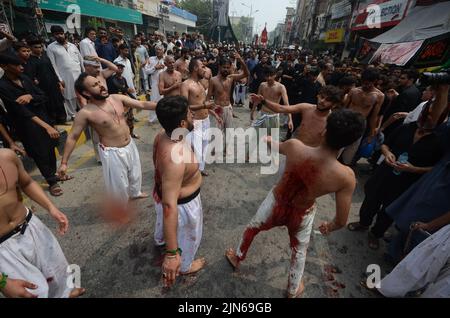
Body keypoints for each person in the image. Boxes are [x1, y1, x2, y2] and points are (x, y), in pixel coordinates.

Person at [225, 109, 366, 298]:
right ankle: (292, 290)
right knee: (299, 251)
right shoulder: (346, 177)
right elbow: (341, 220)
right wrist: (329, 226)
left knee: (253, 227)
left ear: (324, 131)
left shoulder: (295, 146)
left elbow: (276, 145)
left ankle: (237, 257)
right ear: (350, 143)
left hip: (276, 202)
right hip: (302, 213)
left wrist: (266, 139)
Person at [347, 102, 445, 250]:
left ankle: (376, 234)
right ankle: (363, 223)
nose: (428, 118)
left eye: (433, 115)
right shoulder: (406, 128)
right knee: (371, 199)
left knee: (389, 210)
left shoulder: (440, 141)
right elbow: (385, 144)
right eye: (427, 113)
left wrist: (414, 169)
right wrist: (387, 153)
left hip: (406, 183)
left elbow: (437, 169)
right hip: (384, 173)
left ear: (441, 118)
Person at [57, 73, 157, 204]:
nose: (101, 86)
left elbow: (142, 104)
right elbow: (72, 137)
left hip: (129, 145)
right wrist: (64, 163)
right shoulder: (86, 113)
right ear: (86, 93)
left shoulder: (117, 98)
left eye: (99, 82)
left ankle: (135, 193)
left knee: (135, 173)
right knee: (118, 184)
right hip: (112, 152)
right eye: (95, 85)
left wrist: (169, 104)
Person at [0, 149, 85, 298]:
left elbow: (26, 182)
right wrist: (2, 283)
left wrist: (51, 208)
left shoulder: (7, 156)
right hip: (4, 249)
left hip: (31, 226)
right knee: (33, 293)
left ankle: (64, 294)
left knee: (57, 273)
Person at [153, 96, 206, 288]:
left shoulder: (162, 135)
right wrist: (172, 254)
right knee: (189, 236)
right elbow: (169, 206)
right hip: (183, 207)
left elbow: (156, 167)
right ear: (183, 122)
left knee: (162, 223)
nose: (193, 115)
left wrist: (159, 190)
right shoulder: (176, 158)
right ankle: (184, 265)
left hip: (167, 192)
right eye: (190, 113)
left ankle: (161, 239)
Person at [0, 54, 65, 196]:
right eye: (17, 65)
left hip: (43, 118)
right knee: (38, 152)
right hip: (27, 126)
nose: (21, 67)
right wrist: (45, 126)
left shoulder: (25, 78)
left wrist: (31, 96)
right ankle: (51, 181)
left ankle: (53, 174)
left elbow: (43, 95)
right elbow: (20, 111)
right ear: (4, 67)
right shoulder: (2, 86)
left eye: (22, 64)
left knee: (49, 147)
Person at [251, 85, 343, 147]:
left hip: (313, 159)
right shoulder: (306, 108)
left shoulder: (332, 120)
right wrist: (263, 101)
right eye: (322, 97)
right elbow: (281, 108)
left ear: (334, 104)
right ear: (318, 96)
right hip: (295, 152)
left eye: (328, 100)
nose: (322, 101)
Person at [181, 58, 219, 177]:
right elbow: (184, 107)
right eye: (202, 66)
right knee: (195, 149)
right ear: (195, 68)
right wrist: (203, 105)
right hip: (195, 122)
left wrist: (214, 113)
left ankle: (200, 169)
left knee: (204, 147)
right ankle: (191, 173)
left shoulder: (201, 84)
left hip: (205, 120)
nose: (205, 69)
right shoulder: (186, 85)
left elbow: (204, 105)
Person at [341, 68, 385, 165]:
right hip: (346, 119)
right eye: (364, 82)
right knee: (338, 144)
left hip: (360, 123)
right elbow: (344, 108)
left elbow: (374, 116)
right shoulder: (353, 91)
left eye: (369, 83)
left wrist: (371, 134)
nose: (366, 85)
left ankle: (343, 166)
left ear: (375, 81)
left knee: (352, 149)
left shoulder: (379, 96)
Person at [207, 54, 250, 154]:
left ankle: (226, 149)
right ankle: (213, 149)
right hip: (217, 108)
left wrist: (241, 60)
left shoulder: (231, 78)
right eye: (224, 67)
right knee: (216, 131)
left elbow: (246, 74)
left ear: (230, 67)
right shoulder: (213, 80)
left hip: (228, 107)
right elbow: (208, 97)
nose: (226, 69)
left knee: (229, 130)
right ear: (219, 67)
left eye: (228, 67)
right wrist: (209, 109)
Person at [24, 38, 67, 125]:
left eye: (40, 47)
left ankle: (62, 120)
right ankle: (52, 122)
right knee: (48, 105)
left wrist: (59, 83)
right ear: (31, 48)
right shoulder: (30, 61)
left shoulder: (45, 57)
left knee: (58, 102)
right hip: (43, 87)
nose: (39, 49)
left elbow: (52, 70)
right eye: (36, 47)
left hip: (53, 85)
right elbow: (30, 76)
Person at [46, 25, 84, 121]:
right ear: (53, 35)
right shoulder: (51, 47)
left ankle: (83, 111)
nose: (59, 36)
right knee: (69, 95)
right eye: (57, 34)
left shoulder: (73, 46)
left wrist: (84, 73)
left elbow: (80, 59)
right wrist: (59, 79)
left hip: (78, 73)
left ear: (64, 34)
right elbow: (52, 64)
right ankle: (72, 114)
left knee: (80, 92)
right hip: (64, 75)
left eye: (61, 34)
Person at [250, 67, 293, 140]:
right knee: (256, 137)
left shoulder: (281, 87)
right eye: (267, 76)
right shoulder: (262, 85)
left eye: (271, 75)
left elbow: (286, 104)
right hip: (262, 114)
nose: (269, 78)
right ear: (264, 76)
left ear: (275, 75)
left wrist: (290, 119)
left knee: (272, 140)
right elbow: (257, 99)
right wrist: (252, 112)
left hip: (274, 116)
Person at [107, 63, 138, 139]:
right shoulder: (112, 79)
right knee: (121, 121)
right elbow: (118, 86)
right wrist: (127, 89)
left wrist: (133, 98)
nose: (120, 70)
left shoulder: (123, 78)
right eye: (119, 68)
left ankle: (131, 134)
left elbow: (127, 89)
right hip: (117, 103)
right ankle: (122, 136)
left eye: (122, 68)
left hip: (125, 102)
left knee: (130, 119)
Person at [145, 45, 166, 123]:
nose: (158, 51)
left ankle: (164, 118)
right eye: (157, 49)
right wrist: (155, 68)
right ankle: (152, 119)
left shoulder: (166, 59)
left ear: (163, 50)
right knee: (154, 101)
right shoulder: (151, 59)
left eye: (160, 49)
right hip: (154, 84)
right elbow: (146, 71)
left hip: (165, 84)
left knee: (164, 101)